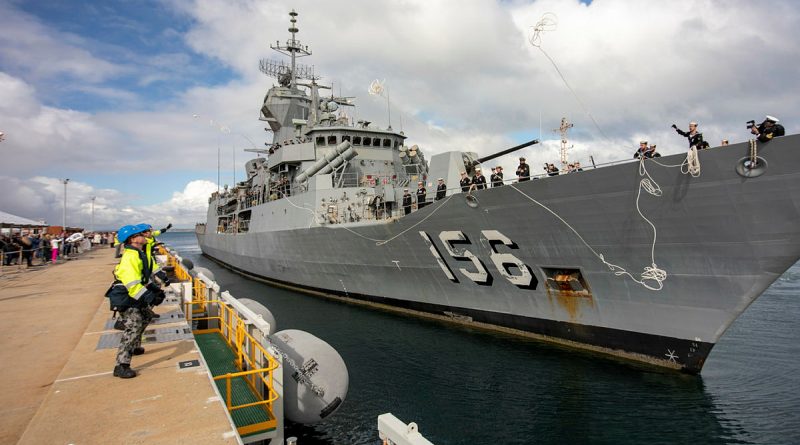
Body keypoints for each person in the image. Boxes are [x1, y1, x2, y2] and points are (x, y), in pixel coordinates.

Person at [107, 224, 165, 379]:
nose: (145, 235)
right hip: (126, 297)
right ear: (133, 239)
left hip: (133, 295)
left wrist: (154, 289)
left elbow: (142, 278)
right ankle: (121, 365)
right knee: (134, 326)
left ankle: (135, 345)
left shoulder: (138, 254)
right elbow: (132, 284)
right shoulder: (130, 257)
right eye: (141, 234)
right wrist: (149, 297)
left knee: (146, 316)